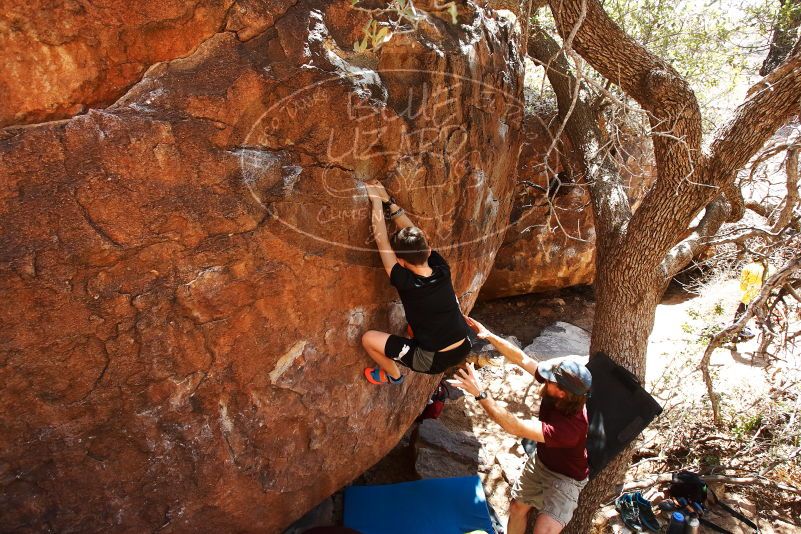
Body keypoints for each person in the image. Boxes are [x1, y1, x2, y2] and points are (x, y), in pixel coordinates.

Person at [449, 316, 591, 534]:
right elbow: (522, 359)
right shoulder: (559, 390)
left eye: (551, 380)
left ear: (562, 392)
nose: (545, 379)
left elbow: (513, 426)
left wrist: (480, 393)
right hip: (542, 462)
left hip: (567, 479)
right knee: (517, 508)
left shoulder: (570, 429)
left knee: (543, 531)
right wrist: (489, 336)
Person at [360, 181, 471, 385]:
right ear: (428, 251)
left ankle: (393, 376)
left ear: (400, 262)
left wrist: (375, 202)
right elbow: (415, 233)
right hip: (464, 344)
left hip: (431, 360)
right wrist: (388, 202)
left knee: (368, 339)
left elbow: (381, 240)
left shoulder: (405, 281)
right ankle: (414, 341)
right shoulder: (441, 268)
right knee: (415, 327)